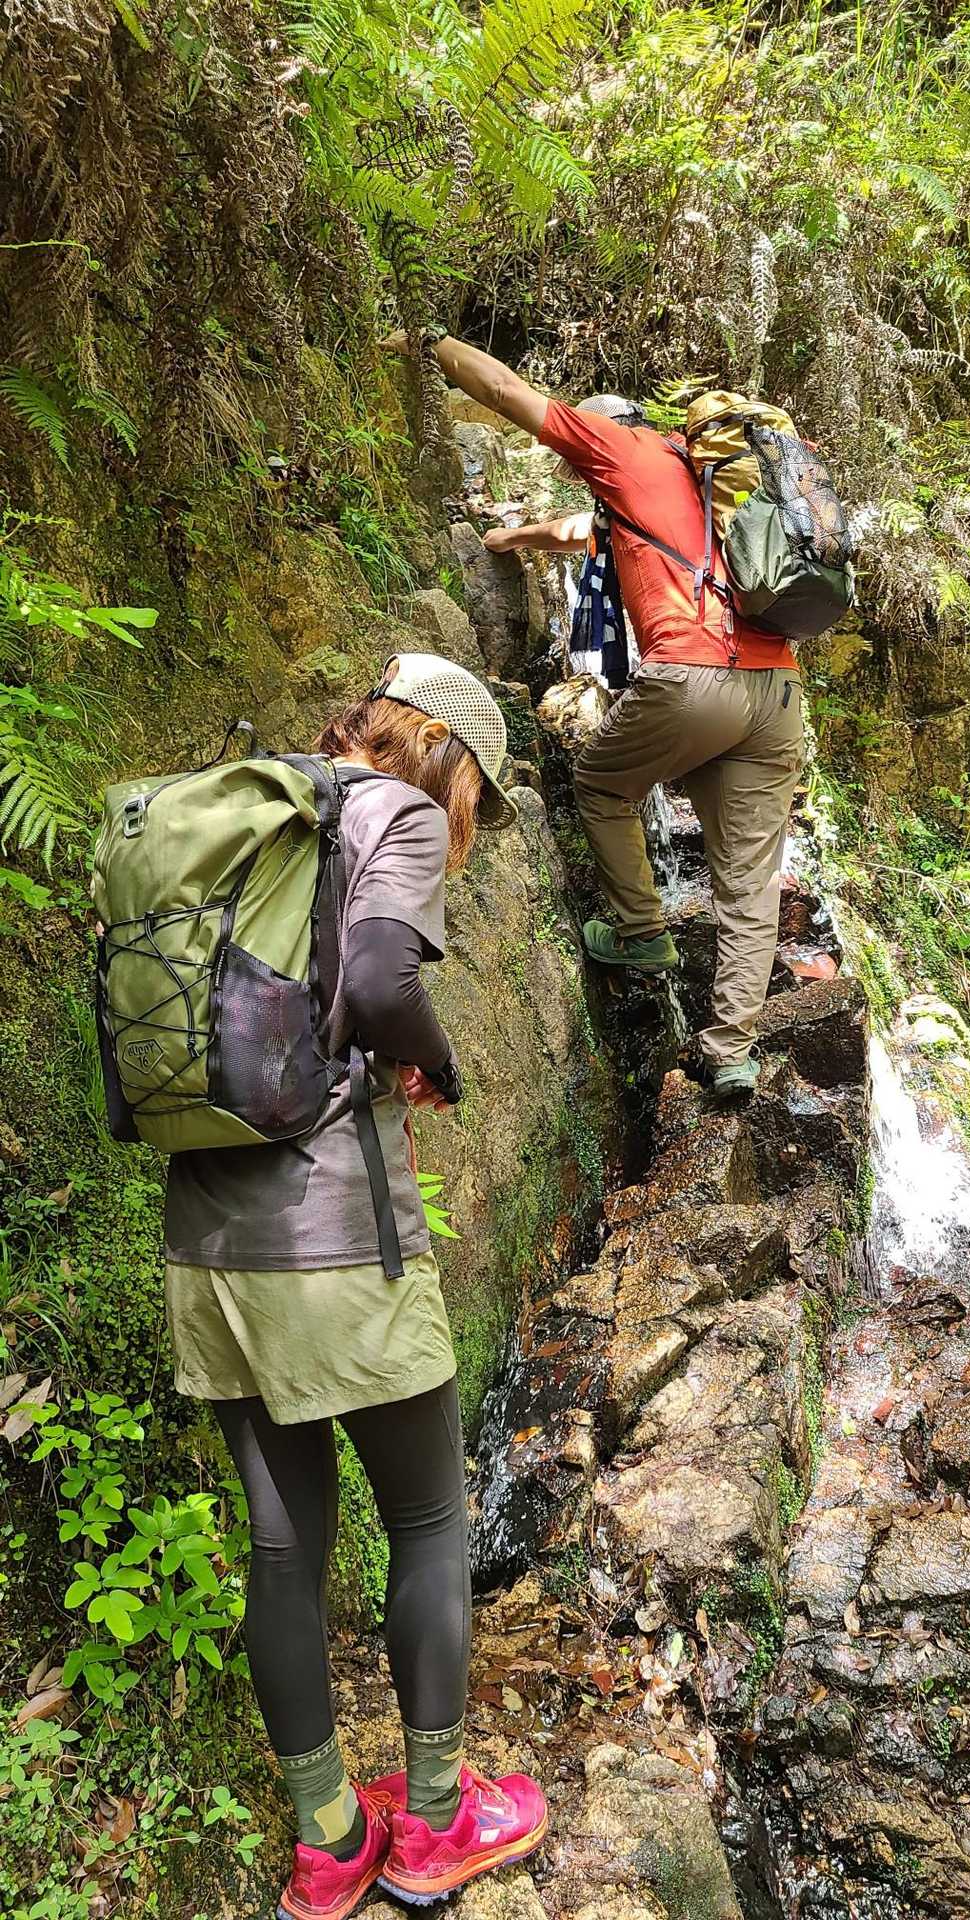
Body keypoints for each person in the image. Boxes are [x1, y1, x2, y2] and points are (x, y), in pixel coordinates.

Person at [162, 653, 548, 1918]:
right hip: (336, 1244)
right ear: (451, 757)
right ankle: (434, 1824)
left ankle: (329, 1841)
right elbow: (382, 980)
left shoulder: (257, 810)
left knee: (285, 1545)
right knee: (430, 1521)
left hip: (209, 1245)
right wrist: (440, 1064)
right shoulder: (400, 812)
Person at [394, 331, 805, 1101]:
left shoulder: (622, 452)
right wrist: (518, 536)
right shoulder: (724, 484)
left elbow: (505, 392)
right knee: (748, 886)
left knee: (601, 785)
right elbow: (579, 532)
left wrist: (433, 343)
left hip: (693, 678)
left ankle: (642, 932)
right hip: (777, 692)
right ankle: (730, 1055)